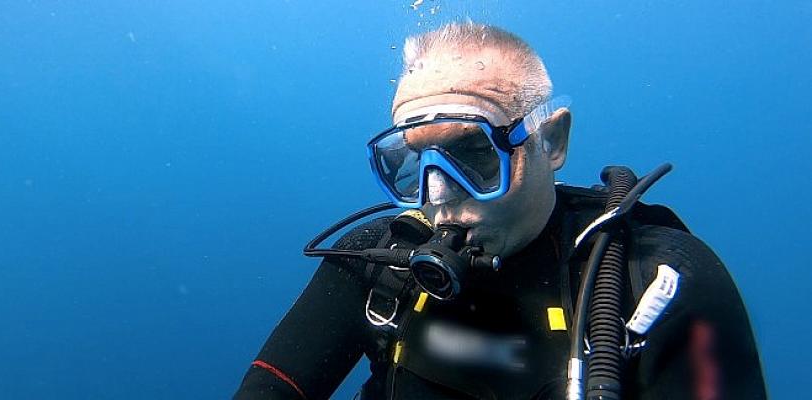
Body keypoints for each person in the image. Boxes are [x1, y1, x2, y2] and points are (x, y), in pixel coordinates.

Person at [234, 23, 766, 400]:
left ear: (551, 141)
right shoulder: (377, 262)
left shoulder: (657, 284)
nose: (438, 195)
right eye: (413, 161)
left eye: (474, 155)